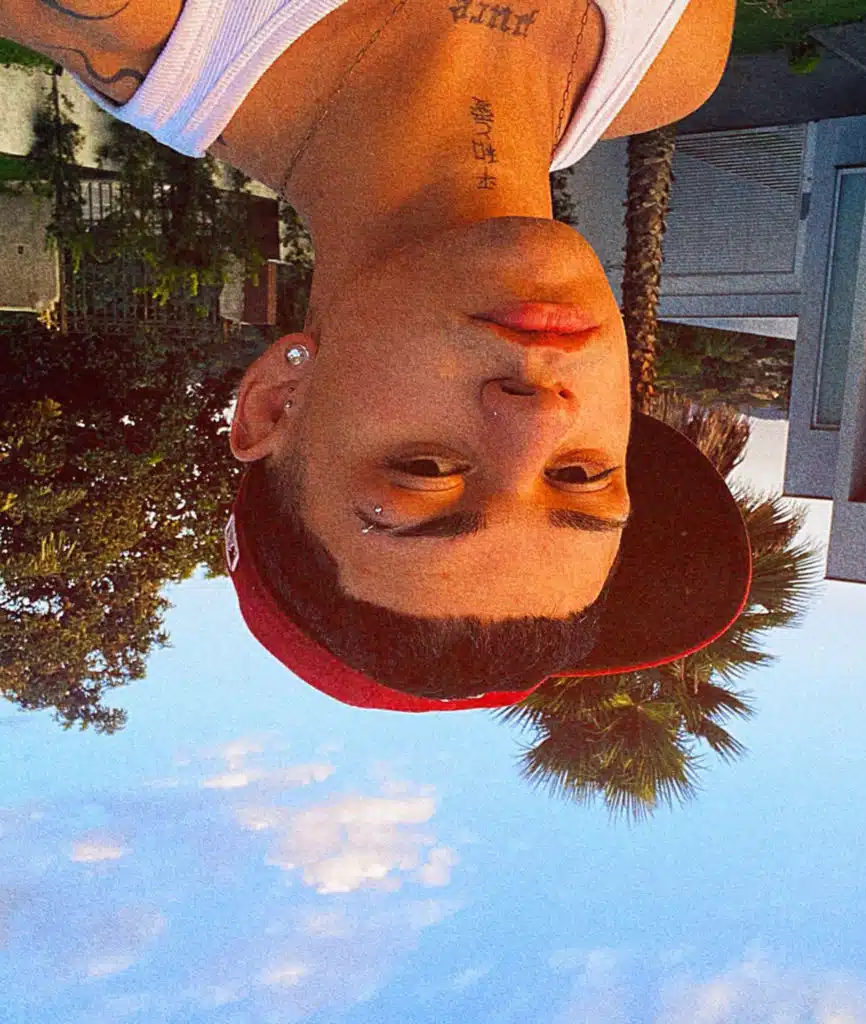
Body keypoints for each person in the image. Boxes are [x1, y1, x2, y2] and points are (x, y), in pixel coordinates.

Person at [1, 0, 751, 711]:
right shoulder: (672, 60)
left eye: (427, 467)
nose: (539, 418)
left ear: (278, 402)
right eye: (582, 476)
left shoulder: (131, 17)